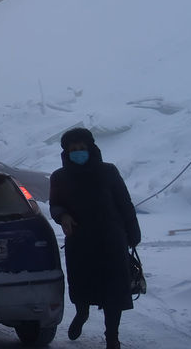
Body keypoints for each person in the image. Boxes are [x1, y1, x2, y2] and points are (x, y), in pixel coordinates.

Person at [49, 127, 141, 349]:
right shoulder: (59, 177)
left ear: (91, 148)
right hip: (80, 241)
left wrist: (133, 232)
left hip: (111, 240)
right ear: (66, 152)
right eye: (73, 149)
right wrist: (63, 216)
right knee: (81, 285)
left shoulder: (108, 171)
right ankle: (82, 314)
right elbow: (55, 205)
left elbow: (124, 202)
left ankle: (112, 337)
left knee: (114, 291)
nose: (78, 152)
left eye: (82, 148)